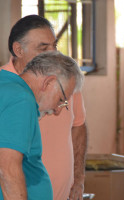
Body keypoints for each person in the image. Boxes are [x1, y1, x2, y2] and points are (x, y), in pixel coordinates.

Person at [1, 15, 87, 200]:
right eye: (60, 100)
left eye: (54, 46)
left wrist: (78, 178)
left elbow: (79, 127)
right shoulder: (21, 98)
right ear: (48, 83)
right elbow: (7, 170)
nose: (58, 109)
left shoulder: (10, 86)